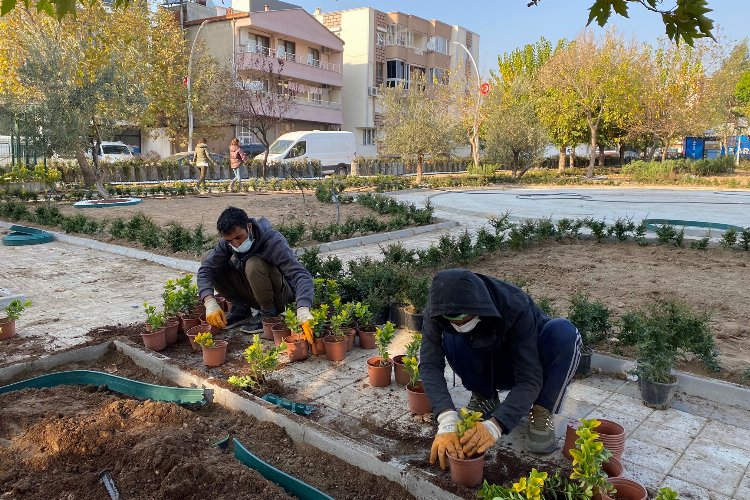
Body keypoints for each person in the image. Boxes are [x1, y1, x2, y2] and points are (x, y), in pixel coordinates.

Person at [421, 268, 581, 469]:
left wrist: (496, 426)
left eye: (465, 319)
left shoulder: (515, 304)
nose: (460, 324)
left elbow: (529, 377)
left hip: (529, 361)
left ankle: (541, 410)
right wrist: (446, 419)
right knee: (453, 337)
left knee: (563, 332)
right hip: (488, 360)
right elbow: (429, 364)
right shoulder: (437, 309)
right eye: (454, 321)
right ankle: (484, 396)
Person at [198, 206, 314, 333]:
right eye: (229, 241)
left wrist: (303, 308)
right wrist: (209, 301)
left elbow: (300, 275)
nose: (235, 244)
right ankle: (240, 309)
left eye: (239, 237)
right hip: (254, 292)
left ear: (249, 227)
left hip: (279, 297)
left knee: (254, 263)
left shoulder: (273, 242)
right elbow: (206, 270)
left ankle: (268, 314)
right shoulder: (227, 243)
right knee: (207, 258)